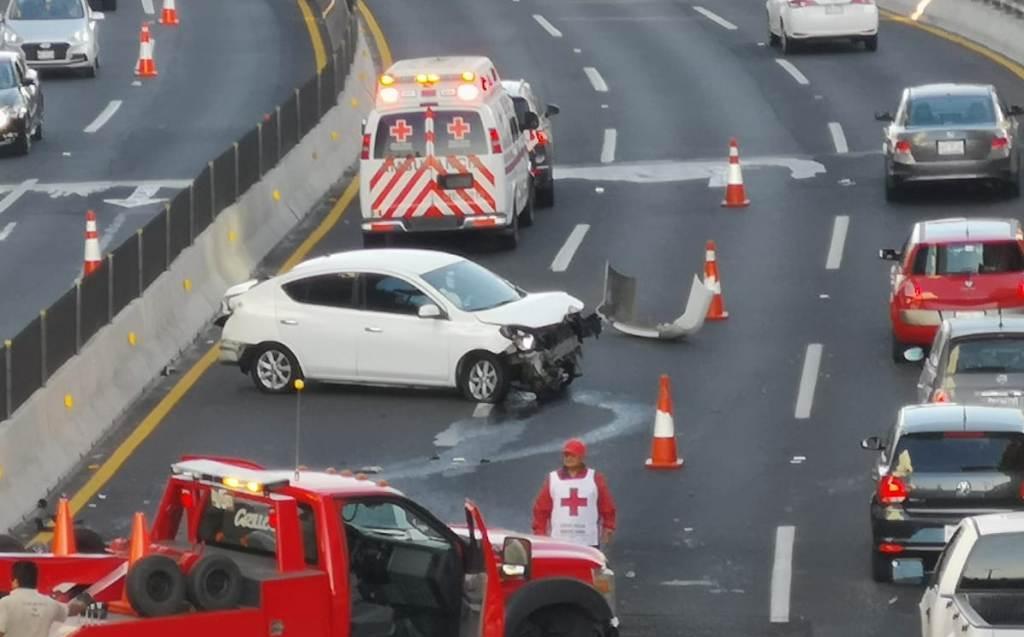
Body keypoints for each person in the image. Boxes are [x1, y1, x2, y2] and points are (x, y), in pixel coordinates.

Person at [531, 439, 616, 550]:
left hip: (587, 541)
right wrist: (539, 532)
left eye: (572, 455)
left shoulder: (595, 478)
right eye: (566, 455)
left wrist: (608, 526)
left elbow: (606, 504)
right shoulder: (553, 479)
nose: (568, 458)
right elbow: (541, 509)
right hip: (559, 541)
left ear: (581, 457)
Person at [0, 561, 86, 637]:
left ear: (15, 582)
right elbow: (71, 610)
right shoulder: (49, 603)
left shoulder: (5, 603)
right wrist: (88, 597)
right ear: (35, 581)